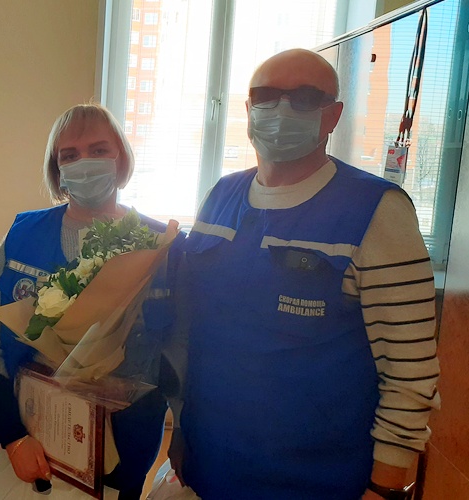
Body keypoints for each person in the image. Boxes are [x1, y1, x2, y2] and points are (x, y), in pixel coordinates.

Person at [176, 48, 440, 500]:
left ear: (332, 115)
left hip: (319, 478)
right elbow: (191, 331)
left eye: (304, 97)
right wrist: (181, 429)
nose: (282, 109)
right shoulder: (220, 196)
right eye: (267, 95)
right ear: (249, 108)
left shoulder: (377, 211)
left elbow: (410, 371)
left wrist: (386, 488)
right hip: (210, 463)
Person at [0, 103, 183, 500]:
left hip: (123, 453)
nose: (85, 163)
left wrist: (184, 431)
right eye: (70, 155)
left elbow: (179, 355)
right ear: (57, 169)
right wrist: (13, 437)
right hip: (27, 443)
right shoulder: (23, 233)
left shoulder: (160, 245)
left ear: (121, 158)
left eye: (99, 150)